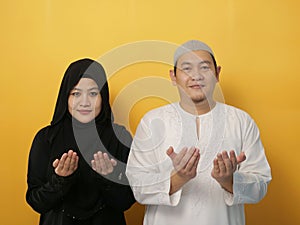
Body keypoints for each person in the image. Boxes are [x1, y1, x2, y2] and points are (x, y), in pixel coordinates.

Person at [125, 40, 272, 225]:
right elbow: (138, 186)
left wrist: (229, 180)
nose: (196, 76)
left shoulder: (241, 122)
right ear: (173, 76)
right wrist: (178, 178)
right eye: (187, 68)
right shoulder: (152, 122)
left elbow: (261, 185)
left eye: (204, 68)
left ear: (217, 73)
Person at [26, 58, 135, 225]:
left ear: (103, 96)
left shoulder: (120, 137)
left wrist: (109, 176)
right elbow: (36, 201)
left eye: (93, 93)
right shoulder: (46, 138)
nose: (84, 102)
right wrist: (60, 179)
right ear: (65, 96)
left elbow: (126, 202)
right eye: (76, 93)